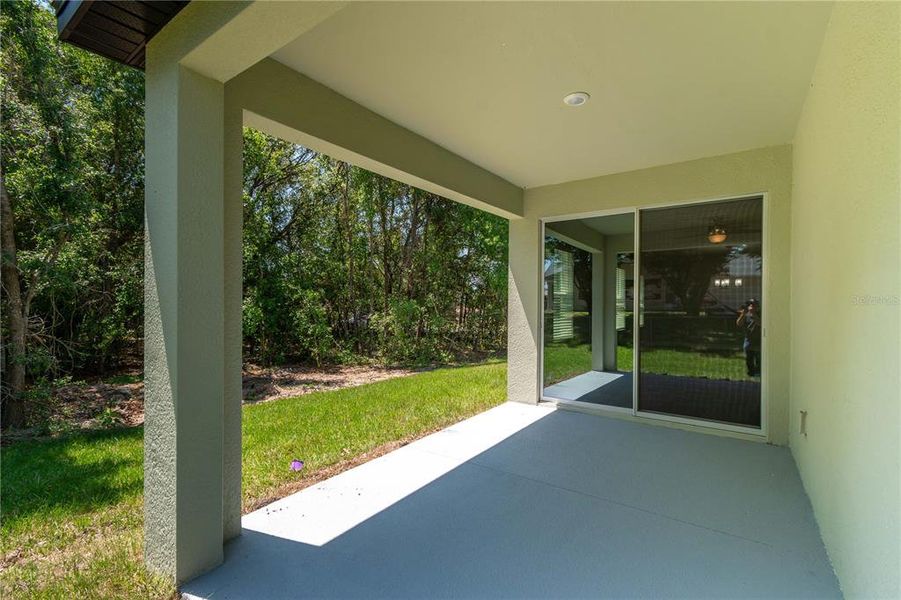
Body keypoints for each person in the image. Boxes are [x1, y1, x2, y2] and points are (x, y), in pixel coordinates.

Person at [736, 299, 761, 377]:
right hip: (748, 341)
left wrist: (753, 315)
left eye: (754, 305)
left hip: (758, 341)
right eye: (751, 305)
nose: (752, 307)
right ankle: (751, 373)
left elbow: (760, 323)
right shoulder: (746, 315)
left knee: (759, 359)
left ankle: (758, 372)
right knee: (749, 359)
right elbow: (738, 323)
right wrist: (743, 314)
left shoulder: (760, 314)